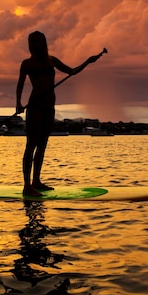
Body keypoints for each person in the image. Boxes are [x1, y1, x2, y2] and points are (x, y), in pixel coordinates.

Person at [16, 31, 102, 196]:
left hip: (49, 107)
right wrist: (18, 103)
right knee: (31, 145)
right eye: (31, 42)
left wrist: (88, 62)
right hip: (35, 106)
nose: (34, 45)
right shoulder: (27, 63)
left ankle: (36, 181)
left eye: (37, 42)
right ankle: (27, 185)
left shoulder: (52, 60)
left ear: (44, 42)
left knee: (42, 145)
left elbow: (72, 72)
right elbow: (20, 84)